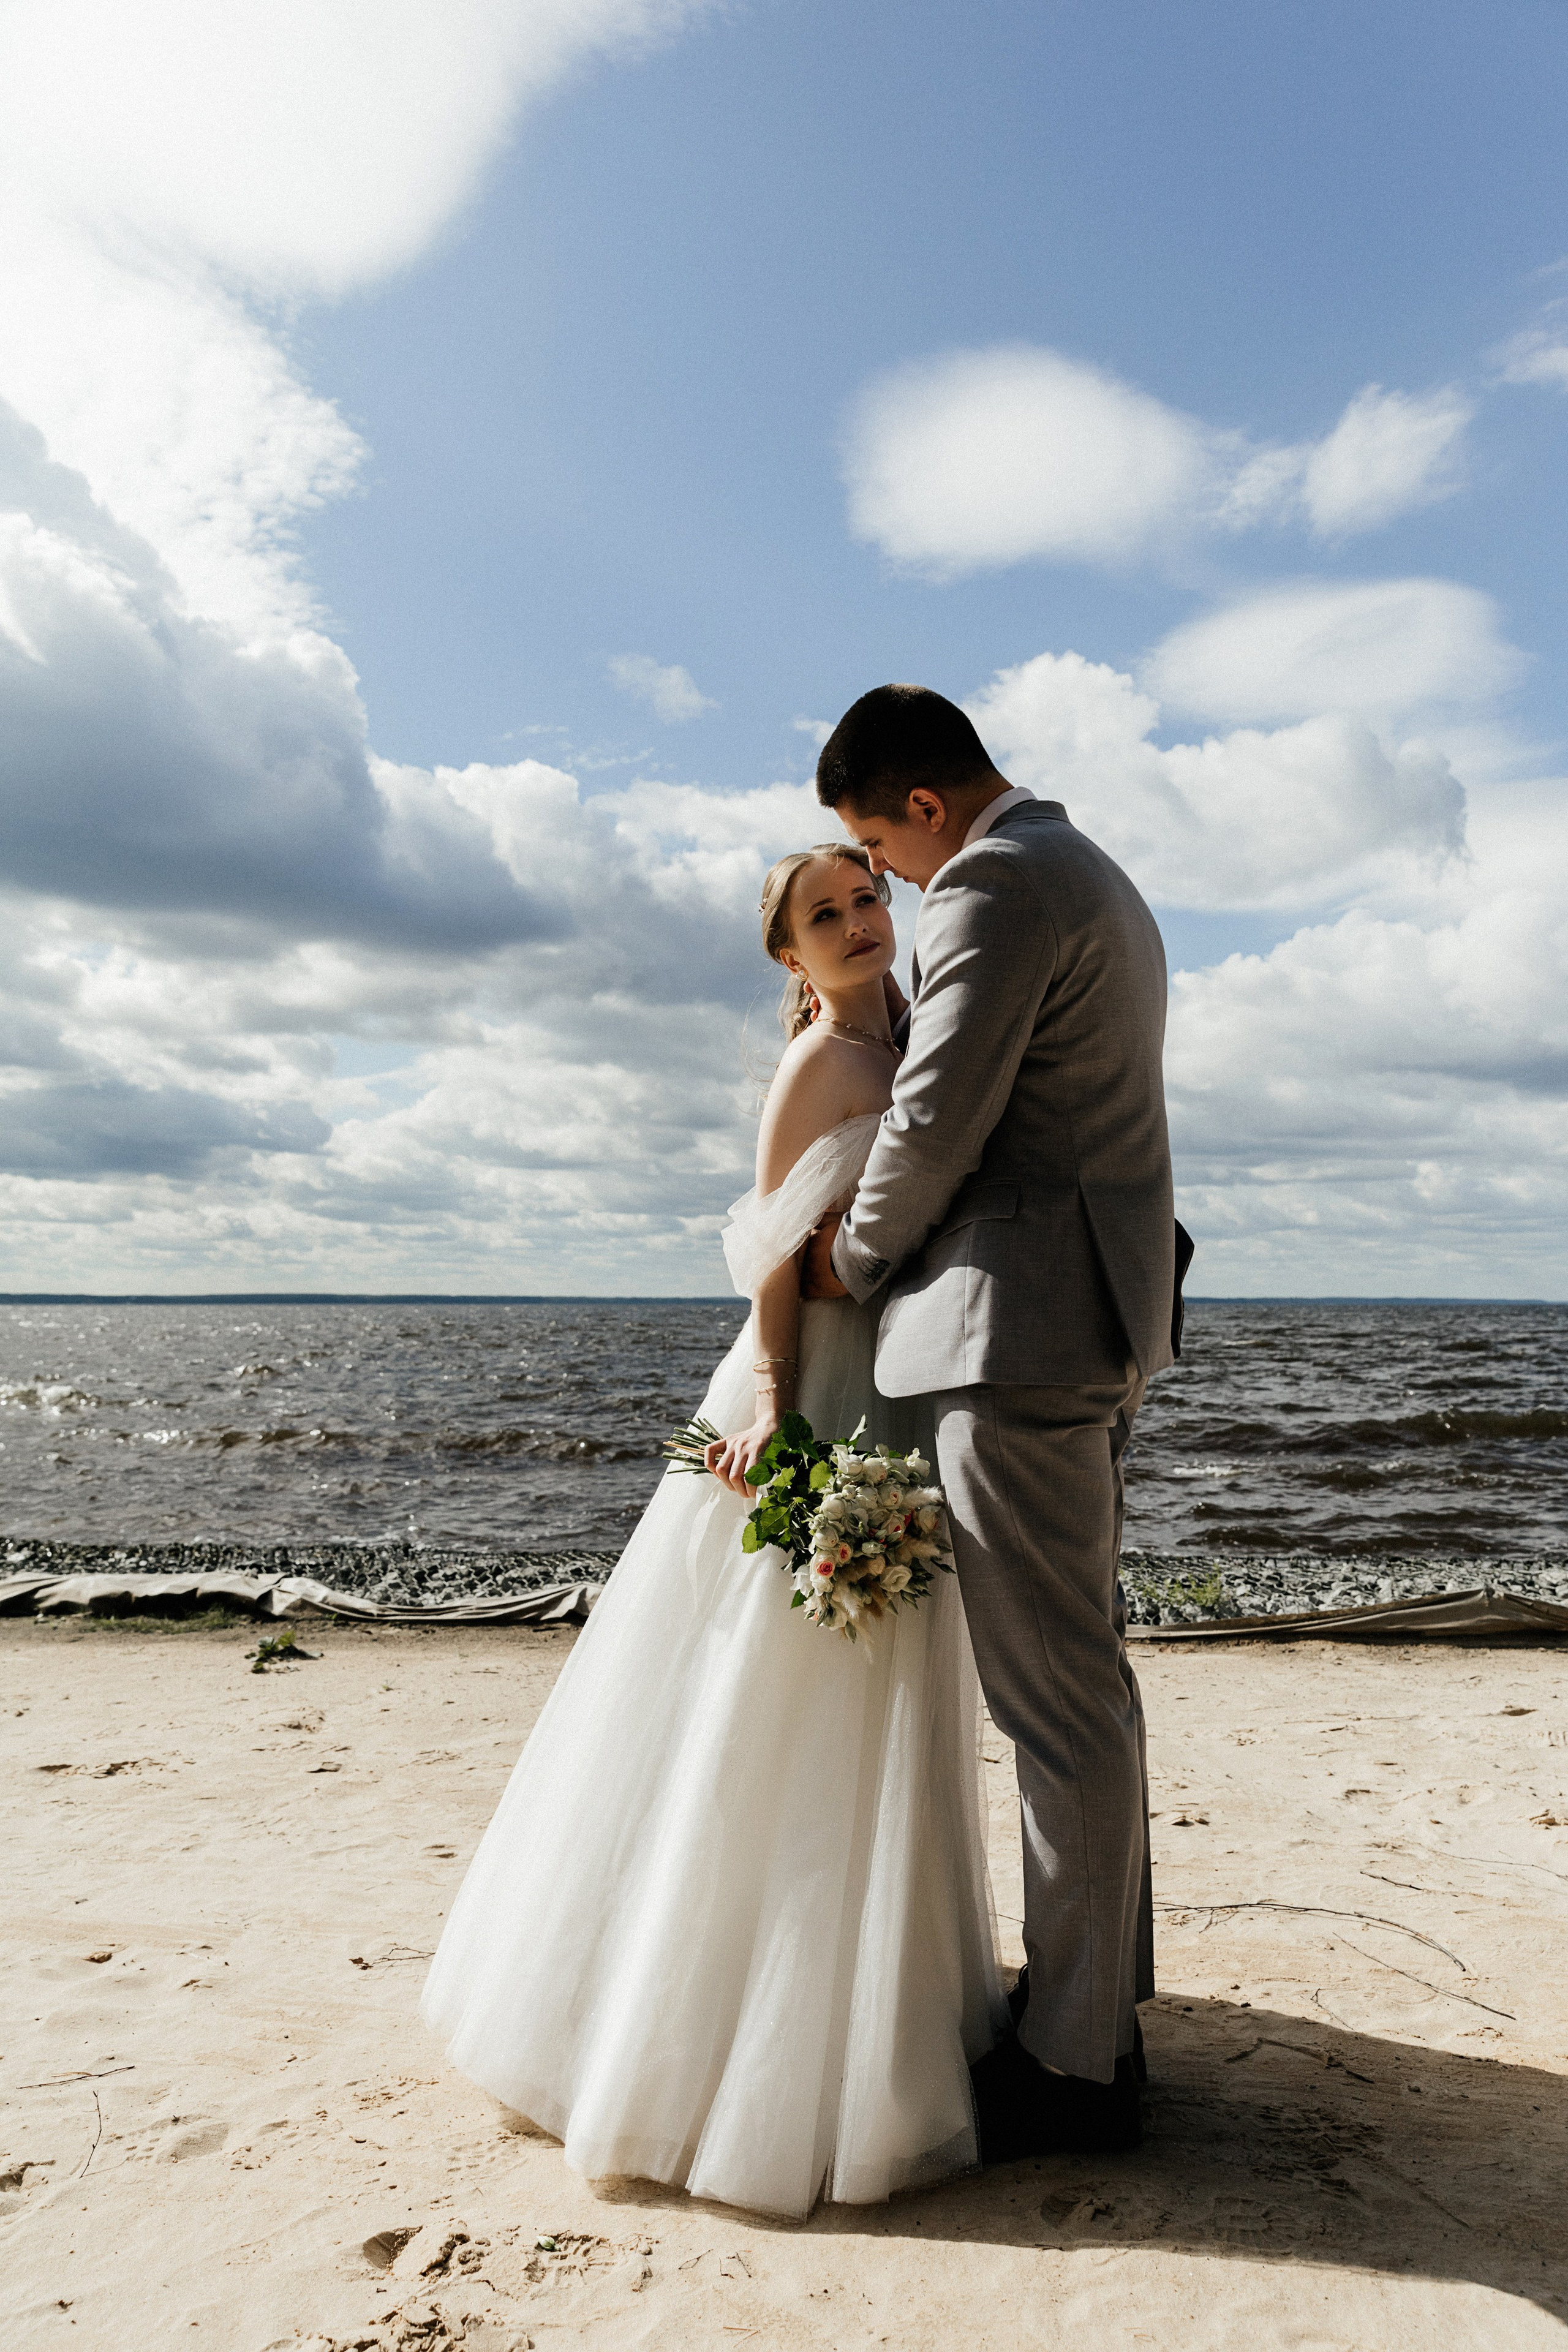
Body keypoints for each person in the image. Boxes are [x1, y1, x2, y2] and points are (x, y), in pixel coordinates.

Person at [421, 840, 1005, 2221]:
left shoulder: (920, 1037)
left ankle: (884, 2017)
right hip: (812, 1397)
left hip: (901, 1396)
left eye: (868, 900)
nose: (859, 922)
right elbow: (766, 1258)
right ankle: (703, 2046)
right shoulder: (819, 1067)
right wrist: (773, 1415)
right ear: (787, 955)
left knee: (883, 1700)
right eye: (825, 915)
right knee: (765, 1700)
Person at [803, 682, 1177, 2162]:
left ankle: (1076, 2066)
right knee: (1085, 1681)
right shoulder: (1097, 876)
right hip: (1088, 1315)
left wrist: (844, 1260)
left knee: (1052, 1702)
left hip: (1011, 1326)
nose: (886, 883)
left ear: (920, 806)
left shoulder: (995, 884)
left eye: (874, 850)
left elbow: (938, 1115)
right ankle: (1101, 2009)